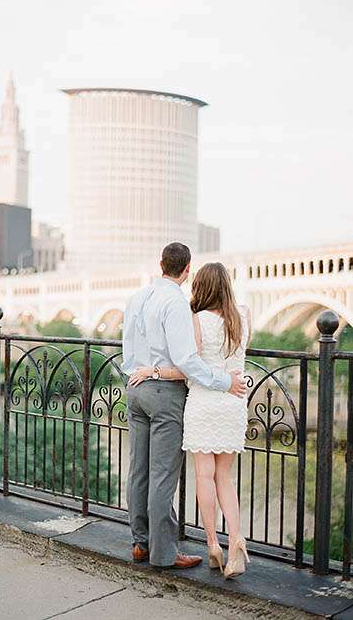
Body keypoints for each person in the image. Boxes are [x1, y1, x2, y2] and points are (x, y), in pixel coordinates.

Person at [120, 242, 247, 569]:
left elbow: (128, 352)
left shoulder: (137, 298)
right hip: (165, 393)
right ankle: (163, 554)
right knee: (163, 476)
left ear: (159, 263)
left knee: (139, 471)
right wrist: (224, 382)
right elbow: (188, 361)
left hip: (135, 388)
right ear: (187, 269)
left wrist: (140, 373)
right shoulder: (176, 303)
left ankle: (140, 542)